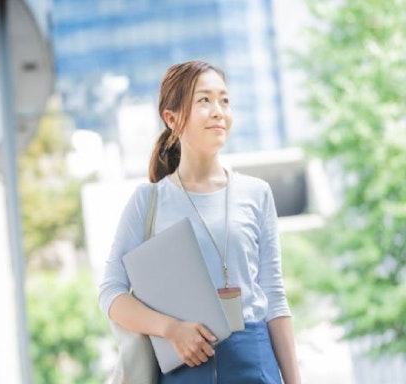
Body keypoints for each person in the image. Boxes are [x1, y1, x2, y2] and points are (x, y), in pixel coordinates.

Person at [98, 60, 302, 383]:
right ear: (172, 118)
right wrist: (170, 329)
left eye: (224, 100)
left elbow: (274, 299)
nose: (218, 110)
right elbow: (110, 293)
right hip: (185, 367)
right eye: (204, 100)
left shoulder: (257, 194)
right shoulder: (147, 202)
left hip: (255, 364)